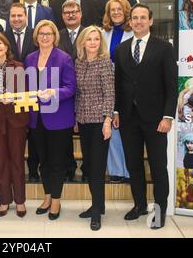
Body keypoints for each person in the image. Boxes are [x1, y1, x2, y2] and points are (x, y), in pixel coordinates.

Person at [114, 4, 177, 229]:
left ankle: (159, 212)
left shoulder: (164, 48)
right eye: (134, 18)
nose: (138, 21)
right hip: (129, 118)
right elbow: (118, 85)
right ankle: (139, 205)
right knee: (134, 165)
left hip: (156, 119)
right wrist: (116, 111)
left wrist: (168, 116)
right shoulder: (121, 49)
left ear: (150, 21)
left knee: (158, 166)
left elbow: (171, 86)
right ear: (129, 22)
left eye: (143, 18)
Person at [25, 20, 76, 220]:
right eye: (41, 33)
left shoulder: (64, 58)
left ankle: (56, 200)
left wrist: (54, 93)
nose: (45, 37)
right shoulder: (29, 58)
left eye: (48, 33)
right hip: (36, 119)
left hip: (59, 119)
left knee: (56, 162)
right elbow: (27, 87)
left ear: (55, 36)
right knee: (43, 162)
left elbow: (71, 88)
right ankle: (47, 197)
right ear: (36, 37)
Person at [0, 32, 29, 217]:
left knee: (17, 161)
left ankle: (19, 201)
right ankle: (3, 200)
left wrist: (15, 97)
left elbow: (26, 93)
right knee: (1, 162)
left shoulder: (18, 67)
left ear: (6, 46)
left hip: (16, 121)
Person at [75, 26, 114, 231]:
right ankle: (97, 204)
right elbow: (77, 93)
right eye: (89, 39)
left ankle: (97, 212)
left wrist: (107, 121)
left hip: (100, 122)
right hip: (83, 120)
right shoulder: (78, 63)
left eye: (96, 39)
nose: (92, 42)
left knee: (97, 168)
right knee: (89, 166)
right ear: (83, 42)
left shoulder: (105, 62)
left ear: (100, 42)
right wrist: (75, 117)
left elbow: (110, 93)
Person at [6, 3, 39, 182]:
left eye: (20, 15)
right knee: (15, 130)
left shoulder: (35, 35)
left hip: (31, 89)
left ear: (26, 16)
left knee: (33, 131)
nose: (17, 19)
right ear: (9, 18)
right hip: (10, 93)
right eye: (13, 16)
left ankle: (33, 169)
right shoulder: (4, 36)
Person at [102, 0, 133, 183]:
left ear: (126, 11)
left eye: (119, 9)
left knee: (126, 127)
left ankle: (129, 170)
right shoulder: (103, 32)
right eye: (112, 10)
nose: (115, 12)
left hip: (126, 84)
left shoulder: (133, 32)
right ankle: (116, 170)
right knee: (111, 125)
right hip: (106, 82)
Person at [58, 0, 84, 182]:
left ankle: (88, 168)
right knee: (65, 134)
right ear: (62, 16)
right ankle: (68, 167)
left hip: (86, 91)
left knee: (87, 133)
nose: (71, 15)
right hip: (64, 92)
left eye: (74, 11)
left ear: (80, 13)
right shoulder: (57, 36)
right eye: (67, 12)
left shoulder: (90, 34)